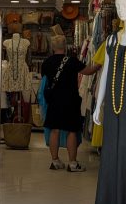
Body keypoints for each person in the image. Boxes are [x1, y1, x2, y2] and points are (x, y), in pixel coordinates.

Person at [41, 36, 98, 172]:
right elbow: (88, 71)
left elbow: (45, 80)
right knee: (71, 131)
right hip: (70, 101)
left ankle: (55, 161)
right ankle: (72, 163)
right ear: (65, 46)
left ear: (53, 47)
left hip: (53, 100)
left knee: (54, 130)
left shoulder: (47, 62)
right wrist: (99, 64)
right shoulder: (72, 61)